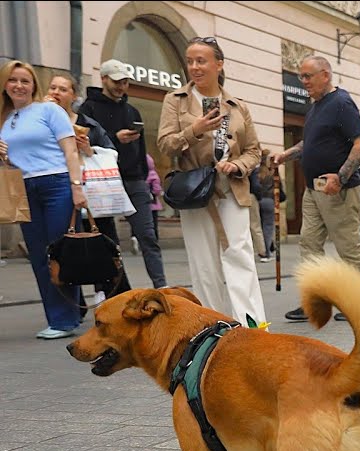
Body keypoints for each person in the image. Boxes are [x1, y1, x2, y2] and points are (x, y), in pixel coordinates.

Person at [157, 37, 266, 325]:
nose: (194, 66)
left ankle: (253, 329)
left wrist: (237, 164)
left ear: (218, 64)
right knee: (204, 267)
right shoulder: (175, 100)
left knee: (240, 260)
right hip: (195, 193)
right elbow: (165, 145)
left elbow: (254, 151)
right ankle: (213, 329)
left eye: (201, 60)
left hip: (232, 190)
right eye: (190, 61)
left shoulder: (237, 106)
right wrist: (194, 130)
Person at [268, 55, 360, 320]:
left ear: (325, 75)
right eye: (301, 76)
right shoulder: (315, 107)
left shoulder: (341, 102)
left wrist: (341, 176)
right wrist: (286, 155)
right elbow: (309, 145)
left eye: (308, 76)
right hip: (313, 190)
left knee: (348, 247)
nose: (303, 82)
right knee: (309, 245)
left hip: (339, 190)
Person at [0, 60, 88, 338]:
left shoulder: (48, 110)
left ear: (34, 85)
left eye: (25, 80)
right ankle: (59, 317)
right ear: (5, 84)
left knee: (60, 252)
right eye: (13, 80)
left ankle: (65, 320)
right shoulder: (4, 117)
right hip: (22, 188)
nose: (19, 85)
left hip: (56, 183)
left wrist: (76, 187)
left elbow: (71, 151)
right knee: (38, 256)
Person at [45, 71, 134, 305]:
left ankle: (119, 296)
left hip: (91, 192)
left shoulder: (87, 124)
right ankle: (76, 306)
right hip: (56, 190)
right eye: (53, 87)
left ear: (73, 95)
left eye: (63, 89)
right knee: (66, 248)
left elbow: (111, 152)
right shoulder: (41, 120)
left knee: (103, 244)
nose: (56, 92)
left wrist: (88, 150)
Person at [77, 58, 166, 288]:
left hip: (135, 180)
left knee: (148, 235)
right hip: (103, 180)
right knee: (106, 240)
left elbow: (142, 147)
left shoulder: (132, 110)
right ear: (104, 79)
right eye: (117, 81)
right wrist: (116, 138)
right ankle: (114, 291)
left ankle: (162, 286)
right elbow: (86, 142)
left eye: (126, 81)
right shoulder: (89, 108)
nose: (122, 86)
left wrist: (145, 174)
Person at [145, 154, 163, 244]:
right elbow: (157, 189)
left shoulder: (140, 176)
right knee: (153, 224)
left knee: (143, 223)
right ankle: (154, 239)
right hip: (153, 204)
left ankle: (136, 237)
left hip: (142, 204)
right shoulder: (153, 174)